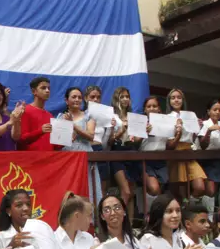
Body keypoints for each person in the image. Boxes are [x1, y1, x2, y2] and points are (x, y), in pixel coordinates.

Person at [58, 87, 102, 208]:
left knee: (87, 187)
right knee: (69, 189)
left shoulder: (88, 116)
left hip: (85, 159)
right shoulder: (60, 117)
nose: (77, 99)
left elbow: (90, 135)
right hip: (66, 159)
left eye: (79, 97)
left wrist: (73, 125)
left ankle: (91, 222)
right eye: (74, 97)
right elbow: (57, 141)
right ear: (66, 100)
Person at [164, 89, 205, 203]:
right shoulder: (167, 118)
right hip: (175, 152)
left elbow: (193, 138)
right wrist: (178, 132)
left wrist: (198, 127)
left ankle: (191, 205)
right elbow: (168, 142)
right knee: (180, 193)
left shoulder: (190, 115)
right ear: (169, 101)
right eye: (173, 98)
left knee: (199, 187)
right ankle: (184, 212)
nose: (176, 100)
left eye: (179, 97)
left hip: (189, 151)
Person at [108, 87, 140, 220]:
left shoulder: (133, 116)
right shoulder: (112, 116)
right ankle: (116, 220)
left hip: (131, 150)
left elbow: (137, 139)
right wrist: (122, 130)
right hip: (117, 151)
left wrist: (144, 133)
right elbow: (109, 140)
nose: (126, 99)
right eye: (122, 97)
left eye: (127, 96)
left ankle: (130, 228)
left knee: (131, 193)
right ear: (117, 99)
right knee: (125, 191)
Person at [138, 96, 172, 212]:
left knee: (160, 190)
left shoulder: (165, 122)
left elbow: (169, 144)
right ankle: (150, 215)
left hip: (161, 159)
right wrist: (144, 131)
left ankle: (157, 215)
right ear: (145, 109)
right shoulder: (140, 122)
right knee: (154, 188)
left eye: (154, 106)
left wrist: (177, 134)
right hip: (145, 160)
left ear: (159, 109)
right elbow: (133, 143)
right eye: (149, 106)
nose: (152, 108)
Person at [196, 99, 220, 216]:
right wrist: (209, 131)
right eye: (215, 110)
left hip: (216, 160)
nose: (217, 112)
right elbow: (203, 145)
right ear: (208, 111)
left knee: (213, 191)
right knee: (206, 189)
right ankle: (203, 214)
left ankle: (209, 216)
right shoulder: (204, 124)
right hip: (203, 159)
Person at [17, 77, 58, 152]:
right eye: (43, 88)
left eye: (49, 88)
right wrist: (40, 131)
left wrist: (67, 140)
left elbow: (53, 146)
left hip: (48, 160)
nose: (47, 90)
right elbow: (21, 140)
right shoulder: (25, 111)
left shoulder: (50, 115)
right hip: (30, 160)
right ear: (34, 91)